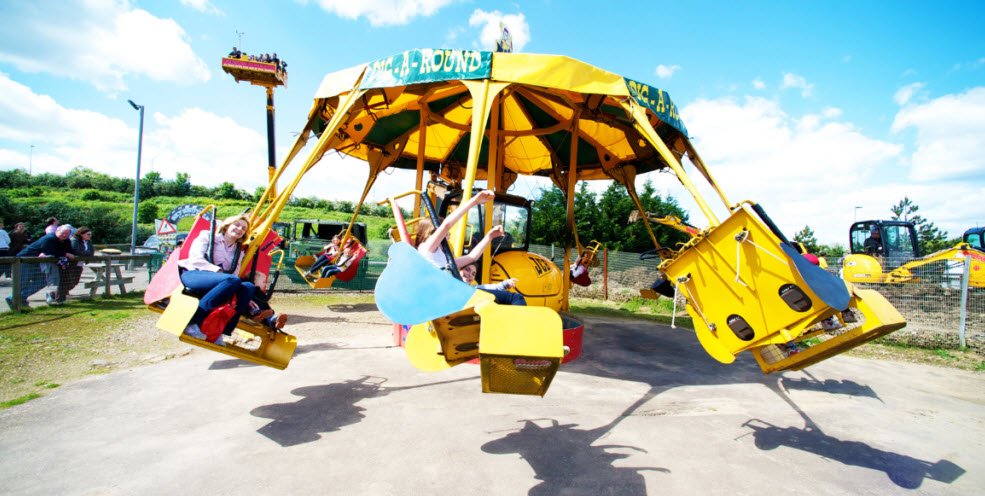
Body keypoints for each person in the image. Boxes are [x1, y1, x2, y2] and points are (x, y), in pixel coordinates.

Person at [177, 214, 282, 346]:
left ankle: (220, 331)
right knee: (232, 281)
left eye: (243, 228)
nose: (239, 229)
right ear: (227, 225)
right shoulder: (207, 236)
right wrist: (219, 272)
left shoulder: (239, 251)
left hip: (222, 281)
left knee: (248, 287)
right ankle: (193, 323)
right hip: (195, 274)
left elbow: (235, 273)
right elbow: (196, 259)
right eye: (236, 225)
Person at [414, 189, 505, 272]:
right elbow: (446, 225)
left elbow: (472, 257)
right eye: (447, 233)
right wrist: (474, 201)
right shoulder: (427, 249)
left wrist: (489, 237)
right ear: (431, 233)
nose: (449, 237)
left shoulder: (444, 257)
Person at [6, 225, 75, 308]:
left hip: (39, 263)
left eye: (67, 233)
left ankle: (20, 297)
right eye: (63, 233)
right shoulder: (49, 238)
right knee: (22, 282)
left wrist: (67, 253)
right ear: (57, 231)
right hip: (25, 261)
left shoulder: (66, 241)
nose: (64, 235)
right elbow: (49, 251)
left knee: (43, 281)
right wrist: (65, 254)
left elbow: (70, 251)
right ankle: (15, 301)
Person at [55, 227, 93, 303]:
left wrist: (86, 253)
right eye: (88, 234)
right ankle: (59, 299)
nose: (90, 236)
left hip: (79, 264)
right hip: (71, 264)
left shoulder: (88, 242)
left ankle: (55, 294)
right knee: (67, 281)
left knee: (74, 282)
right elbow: (77, 252)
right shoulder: (74, 241)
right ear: (82, 234)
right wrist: (87, 253)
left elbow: (92, 252)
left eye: (90, 234)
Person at [460, 262, 526, 306]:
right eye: (467, 269)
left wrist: (506, 283)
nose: (470, 275)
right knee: (516, 297)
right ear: (459, 269)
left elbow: (490, 287)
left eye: (473, 274)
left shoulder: (474, 288)